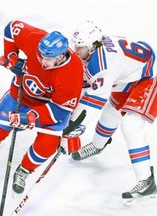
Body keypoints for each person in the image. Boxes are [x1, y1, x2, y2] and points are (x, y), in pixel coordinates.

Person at [0, 20, 84, 194]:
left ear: (60, 56)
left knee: (47, 143)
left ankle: (24, 170)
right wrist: (11, 56)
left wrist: (30, 117)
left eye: (47, 58)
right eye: (40, 55)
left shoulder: (73, 71)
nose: (42, 60)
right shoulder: (35, 39)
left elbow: (61, 110)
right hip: (21, 95)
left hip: (49, 108)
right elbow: (11, 28)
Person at [68, 20, 157, 203]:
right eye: (75, 45)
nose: (75, 50)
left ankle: (147, 181)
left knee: (130, 125)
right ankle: (98, 146)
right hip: (130, 76)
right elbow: (87, 87)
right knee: (111, 112)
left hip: (149, 77)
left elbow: (94, 99)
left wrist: (76, 125)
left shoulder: (103, 63)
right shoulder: (94, 53)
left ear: (93, 46)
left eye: (80, 47)